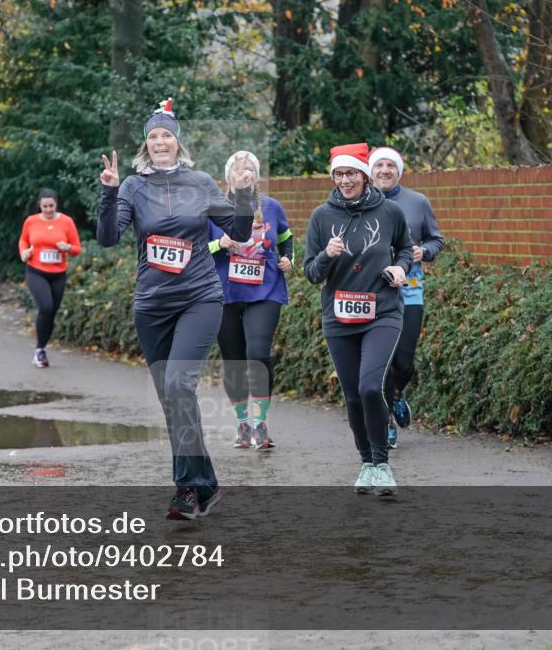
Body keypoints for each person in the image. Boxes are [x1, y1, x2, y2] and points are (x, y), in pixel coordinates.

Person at [97, 98, 254, 520]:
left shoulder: (200, 182)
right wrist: (109, 192)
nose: (160, 141)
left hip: (199, 298)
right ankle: (205, 485)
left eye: (166, 134)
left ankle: (187, 490)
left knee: (180, 386)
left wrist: (242, 193)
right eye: (153, 136)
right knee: (172, 398)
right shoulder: (132, 186)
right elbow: (109, 237)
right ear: (146, 145)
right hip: (152, 306)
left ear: (177, 141)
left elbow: (239, 230)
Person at [303, 142, 413, 496]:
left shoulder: (390, 211)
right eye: (339, 174)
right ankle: (366, 463)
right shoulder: (321, 216)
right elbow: (310, 273)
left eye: (351, 173)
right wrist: (326, 255)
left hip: (383, 310)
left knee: (370, 387)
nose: (345, 180)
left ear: (364, 175)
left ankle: (382, 464)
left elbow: (407, 248)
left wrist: (400, 267)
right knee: (351, 395)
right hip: (338, 315)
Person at [207, 150, 294, 450]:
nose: (244, 174)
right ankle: (243, 422)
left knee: (258, 355)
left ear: (256, 177)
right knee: (233, 361)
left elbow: (285, 237)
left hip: (264, 289)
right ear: (228, 176)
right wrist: (220, 242)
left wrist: (288, 259)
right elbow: (195, 250)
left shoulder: (271, 206)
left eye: (250, 170)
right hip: (225, 292)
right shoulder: (214, 208)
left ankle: (260, 422)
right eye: (238, 170)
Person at [369, 147, 444, 448]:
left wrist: (422, 251)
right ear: (371, 171)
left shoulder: (417, 202)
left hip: (410, 290)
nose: (384, 170)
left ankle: (398, 394)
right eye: (379, 166)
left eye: (390, 165)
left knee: (403, 361)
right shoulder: (361, 203)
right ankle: (385, 419)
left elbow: (436, 240)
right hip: (372, 294)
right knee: (383, 361)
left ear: (398, 171)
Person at [19, 188, 81, 367]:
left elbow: (77, 248)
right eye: (44, 206)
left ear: (56, 204)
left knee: (51, 312)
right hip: (36, 270)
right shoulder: (31, 221)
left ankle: (42, 349)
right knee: (45, 307)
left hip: (58, 274)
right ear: (39, 205)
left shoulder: (66, 222)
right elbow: (23, 240)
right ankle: (39, 350)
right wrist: (24, 252)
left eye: (51, 206)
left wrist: (67, 247)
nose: (48, 210)